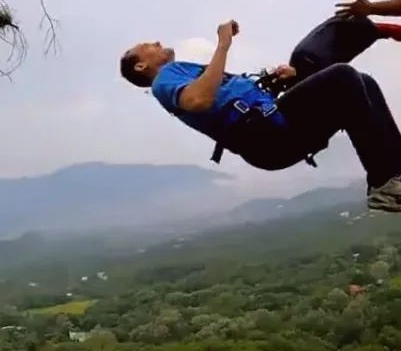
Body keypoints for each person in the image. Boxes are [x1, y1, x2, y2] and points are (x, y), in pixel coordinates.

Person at [119, 15, 401, 213]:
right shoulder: (164, 81)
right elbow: (198, 99)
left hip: (275, 125)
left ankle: (395, 176)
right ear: (141, 66)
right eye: (147, 46)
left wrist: (289, 80)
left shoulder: (185, 72)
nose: (156, 42)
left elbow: (226, 98)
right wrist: (223, 45)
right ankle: (382, 185)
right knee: (344, 76)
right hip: (265, 138)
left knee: (363, 82)